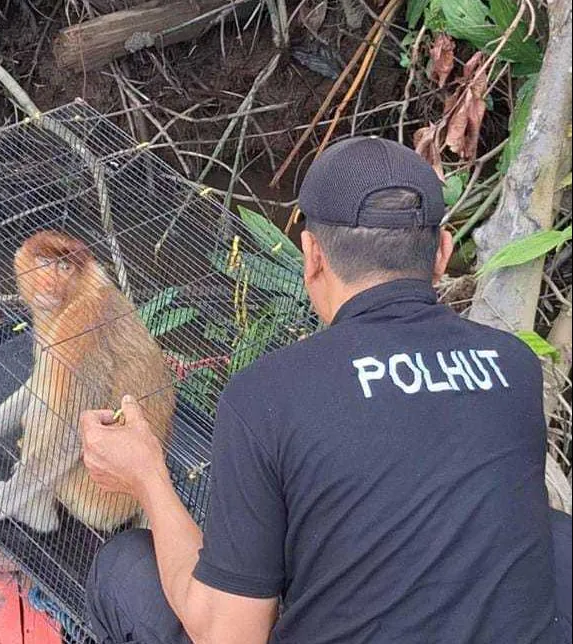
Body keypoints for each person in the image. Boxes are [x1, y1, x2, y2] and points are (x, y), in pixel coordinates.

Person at [79, 136, 572, 644]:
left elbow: (229, 636)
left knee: (123, 569)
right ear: (442, 252)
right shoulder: (514, 365)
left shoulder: (266, 396)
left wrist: (147, 476)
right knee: (553, 534)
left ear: (311, 255)